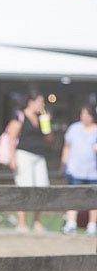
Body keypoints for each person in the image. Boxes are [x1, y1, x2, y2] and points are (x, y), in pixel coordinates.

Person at [6, 93, 51, 232]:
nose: (42, 105)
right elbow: (12, 138)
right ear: (31, 102)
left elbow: (48, 139)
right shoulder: (20, 116)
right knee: (25, 187)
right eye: (40, 102)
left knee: (42, 187)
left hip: (39, 155)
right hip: (23, 154)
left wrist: (47, 123)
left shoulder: (41, 118)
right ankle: (22, 223)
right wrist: (12, 158)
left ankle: (36, 221)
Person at [60, 105, 97, 236]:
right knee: (73, 196)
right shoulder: (74, 128)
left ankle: (92, 225)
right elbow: (67, 147)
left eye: (87, 114)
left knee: (93, 199)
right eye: (83, 114)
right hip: (75, 169)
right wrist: (64, 163)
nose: (84, 117)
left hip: (93, 171)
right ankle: (71, 223)